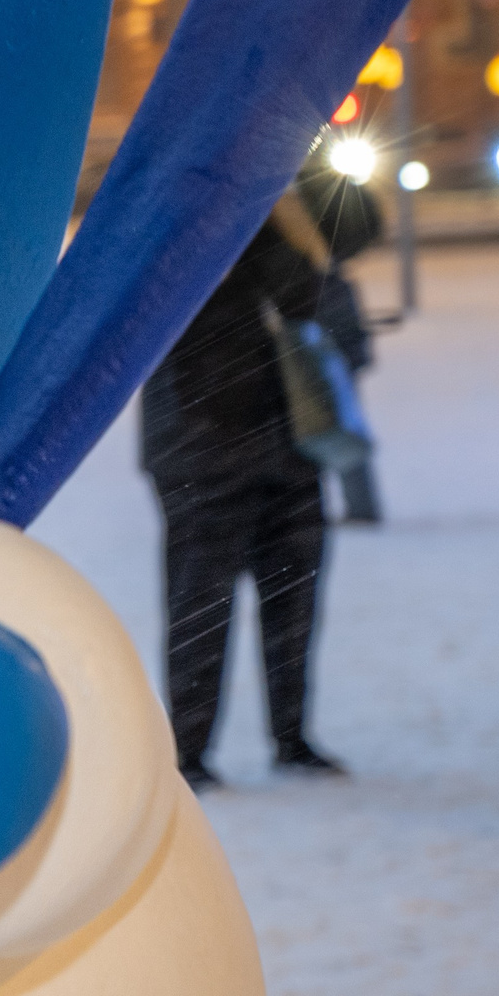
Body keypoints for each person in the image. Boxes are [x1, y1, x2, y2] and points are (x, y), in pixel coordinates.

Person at [140, 185, 350, 790]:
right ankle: (189, 752)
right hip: (200, 446)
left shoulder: (289, 212)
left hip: (288, 441)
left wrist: (289, 201)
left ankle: (292, 737)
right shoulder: (177, 220)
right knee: (200, 605)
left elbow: (315, 283)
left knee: (295, 598)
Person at [298, 168, 388, 524]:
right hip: (331, 306)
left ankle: (350, 505)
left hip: (315, 307)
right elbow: (365, 228)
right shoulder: (321, 181)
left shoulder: (301, 183)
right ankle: (359, 504)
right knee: (340, 410)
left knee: (318, 411)